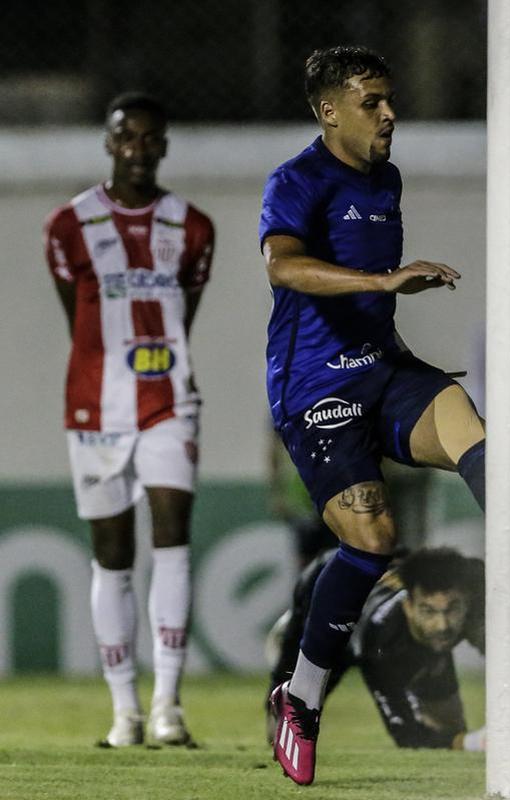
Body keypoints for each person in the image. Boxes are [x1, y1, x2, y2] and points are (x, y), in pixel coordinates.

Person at [259, 46, 510, 785]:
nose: (389, 113)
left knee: (465, 419)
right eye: (371, 101)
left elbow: (367, 302)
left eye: (389, 99)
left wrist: (390, 321)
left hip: (383, 371)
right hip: (314, 391)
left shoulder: (386, 179)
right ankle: (300, 697)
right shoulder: (296, 180)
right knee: (373, 543)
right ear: (328, 109)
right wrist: (382, 279)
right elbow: (282, 265)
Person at [43, 92, 215, 747]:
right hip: (95, 404)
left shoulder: (192, 226)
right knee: (111, 557)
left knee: (173, 535)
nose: (138, 149)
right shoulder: (69, 224)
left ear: (164, 145)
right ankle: (126, 712)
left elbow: (185, 308)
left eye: (150, 138)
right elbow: (77, 315)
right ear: (109, 144)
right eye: (127, 137)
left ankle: (169, 703)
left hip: (169, 399)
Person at [266, 547, 485, 750]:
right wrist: (475, 741)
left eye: (453, 609)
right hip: (333, 610)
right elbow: (405, 733)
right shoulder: (380, 642)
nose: (443, 624)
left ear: (466, 600)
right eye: (428, 611)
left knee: (451, 732)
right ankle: (292, 638)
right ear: (408, 607)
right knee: (291, 719)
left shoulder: (474, 599)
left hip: (421, 645)